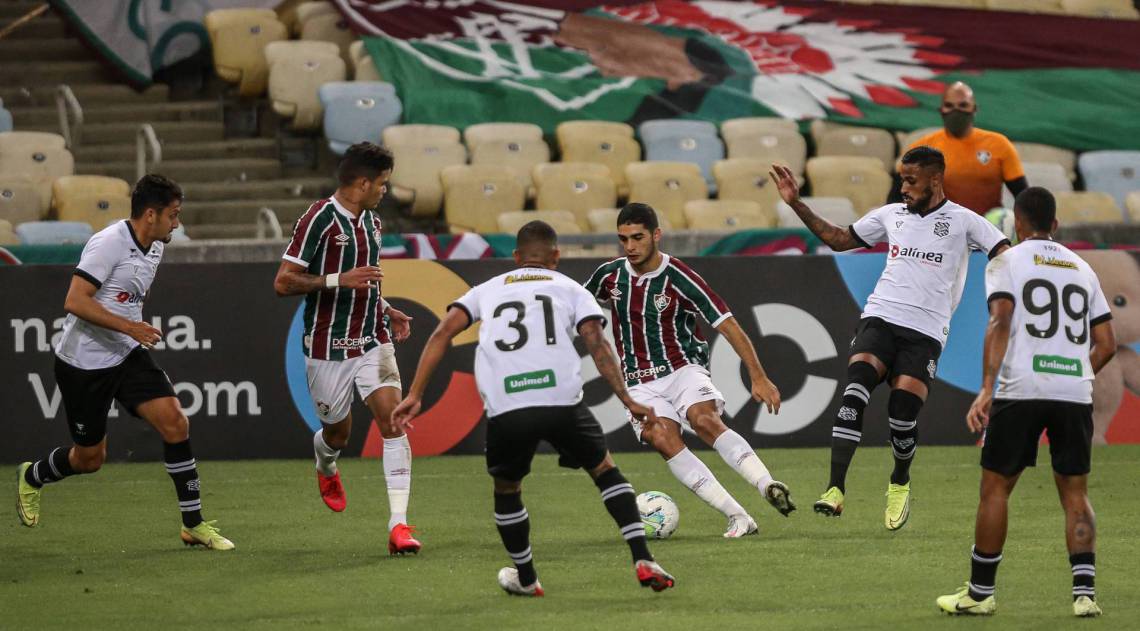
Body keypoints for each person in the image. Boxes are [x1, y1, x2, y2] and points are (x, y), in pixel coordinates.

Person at [392, 221, 675, 597]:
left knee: (507, 488)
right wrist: (628, 399)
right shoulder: (571, 289)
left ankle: (526, 577)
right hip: (562, 402)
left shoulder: (485, 291)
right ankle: (643, 558)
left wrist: (415, 394)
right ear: (556, 257)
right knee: (604, 469)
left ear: (515, 258)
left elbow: (443, 332)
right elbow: (597, 342)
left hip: (508, 406)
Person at [770, 146, 1011, 531]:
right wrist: (797, 203)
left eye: (911, 180)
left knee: (902, 413)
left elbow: (1003, 251)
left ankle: (899, 481)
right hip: (880, 316)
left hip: (927, 331)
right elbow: (838, 239)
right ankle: (834, 490)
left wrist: (1014, 284)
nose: (903, 187)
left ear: (935, 179)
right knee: (855, 389)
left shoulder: (965, 222)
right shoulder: (891, 215)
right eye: (901, 179)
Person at [15, 174, 233, 550]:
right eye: (173, 215)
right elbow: (75, 301)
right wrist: (129, 326)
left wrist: (129, 332)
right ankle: (33, 476)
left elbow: (126, 295)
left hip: (125, 354)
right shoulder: (108, 243)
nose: (177, 224)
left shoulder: (156, 246)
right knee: (89, 459)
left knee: (176, 423)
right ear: (151, 215)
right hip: (82, 363)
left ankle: (193, 525)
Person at [936, 188, 1116, 617]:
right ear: (1054, 225)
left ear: (1016, 223)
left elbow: (1000, 319)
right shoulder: (1082, 267)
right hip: (1074, 393)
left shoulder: (1007, 260)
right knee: (1075, 492)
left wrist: (985, 388)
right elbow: (1106, 343)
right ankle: (1084, 595)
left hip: (1022, 390)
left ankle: (980, 595)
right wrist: (1077, 373)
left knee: (996, 488)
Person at [583, 203, 795, 538]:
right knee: (662, 437)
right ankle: (738, 516)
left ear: (656, 235)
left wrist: (758, 375)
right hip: (637, 381)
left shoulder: (679, 276)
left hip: (683, 369)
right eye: (623, 239)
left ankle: (766, 484)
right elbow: (575, 307)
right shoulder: (609, 276)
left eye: (637, 237)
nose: (630, 246)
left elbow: (728, 325)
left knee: (704, 419)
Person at [273, 142, 420, 555]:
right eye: (382, 184)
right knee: (338, 432)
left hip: (372, 337)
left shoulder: (371, 222)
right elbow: (283, 282)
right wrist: (338, 280)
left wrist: (386, 308)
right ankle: (326, 462)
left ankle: (399, 526)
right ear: (362, 182)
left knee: (393, 422)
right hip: (327, 346)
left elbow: (366, 280)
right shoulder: (318, 218)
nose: (385, 192)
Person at [907, 81, 1028, 215]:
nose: (956, 111)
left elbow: (1023, 196)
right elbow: (898, 197)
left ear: (974, 109)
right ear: (941, 110)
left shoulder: (999, 144)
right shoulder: (922, 149)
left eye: (963, 105)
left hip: (987, 228)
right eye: (949, 106)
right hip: (939, 228)